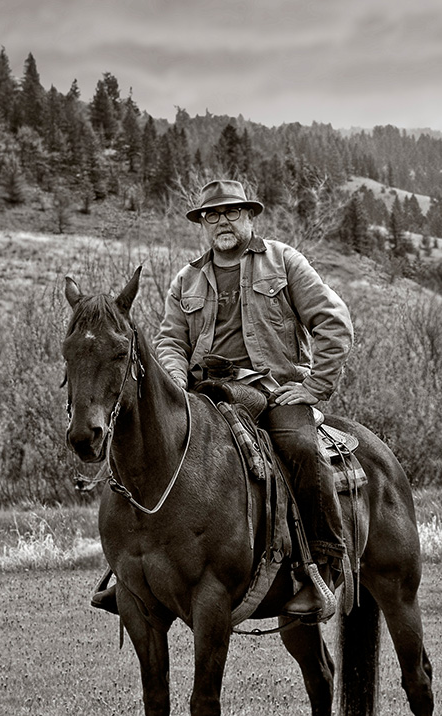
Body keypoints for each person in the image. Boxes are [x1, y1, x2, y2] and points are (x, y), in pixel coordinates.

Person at [92, 179, 354, 623]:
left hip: (274, 391)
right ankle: (131, 572)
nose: (222, 222)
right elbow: (170, 341)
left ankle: (321, 569)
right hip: (206, 390)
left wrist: (314, 388)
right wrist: (175, 382)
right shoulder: (187, 278)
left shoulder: (284, 262)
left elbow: (334, 323)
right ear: (203, 225)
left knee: (301, 449)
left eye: (232, 212)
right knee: (152, 454)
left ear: (251, 217)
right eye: (212, 215)